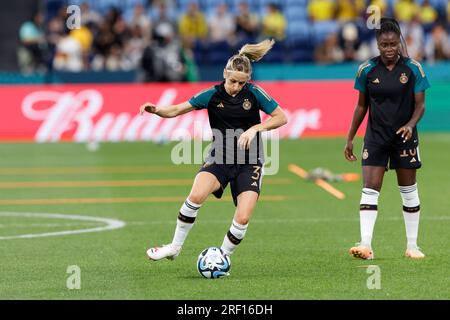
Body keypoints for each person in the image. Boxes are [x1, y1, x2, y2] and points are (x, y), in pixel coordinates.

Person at [139, 39, 288, 266]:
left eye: (241, 83)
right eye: (232, 81)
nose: (236, 87)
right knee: (196, 196)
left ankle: (222, 258)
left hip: (250, 162)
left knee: (243, 216)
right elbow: (178, 109)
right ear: (224, 74)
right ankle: (174, 247)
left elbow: (281, 117)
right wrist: (157, 110)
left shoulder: (255, 93)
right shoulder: (212, 94)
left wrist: (256, 128)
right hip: (219, 157)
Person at [344, 17, 430, 260]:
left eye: (393, 44)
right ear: (377, 44)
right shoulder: (366, 70)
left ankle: (412, 246)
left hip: (404, 138)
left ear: (400, 42)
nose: (389, 49)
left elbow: (420, 105)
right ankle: (365, 245)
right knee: (369, 189)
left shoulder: (413, 68)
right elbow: (361, 107)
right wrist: (350, 137)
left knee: (408, 190)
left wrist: (411, 125)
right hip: (375, 138)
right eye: (384, 45)